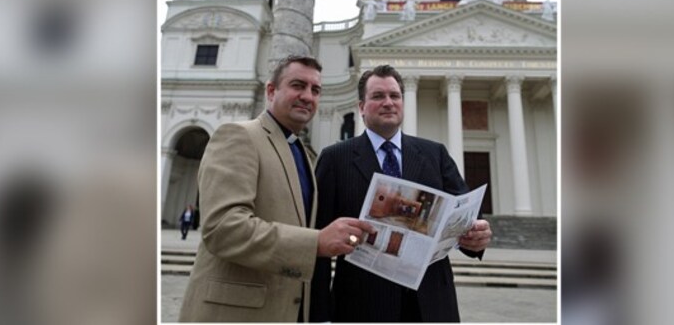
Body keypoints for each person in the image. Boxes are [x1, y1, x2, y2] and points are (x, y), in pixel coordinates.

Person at [178, 55, 375, 322]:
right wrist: (316, 242)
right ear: (271, 90)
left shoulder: (303, 153)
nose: (308, 96)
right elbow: (223, 228)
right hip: (237, 312)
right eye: (298, 85)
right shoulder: (238, 135)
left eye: (315, 90)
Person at [311, 65, 492, 322]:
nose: (388, 103)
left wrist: (477, 236)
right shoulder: (335, 158)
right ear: (361, 106)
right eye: (378, 96)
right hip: (362, 304)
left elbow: (467, 215)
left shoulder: (434, 154)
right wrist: (319, 313)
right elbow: (317, 239)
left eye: (395, 96)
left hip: (431, 303)